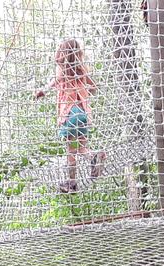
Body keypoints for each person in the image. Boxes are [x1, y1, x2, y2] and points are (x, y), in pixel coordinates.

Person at [36, 38, 108, 193]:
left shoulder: (63, 68)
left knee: (71, 152)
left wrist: (43, 91)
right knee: (81, 148)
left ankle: (72, 182)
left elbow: (56, 81)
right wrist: (82, 91)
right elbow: (94, 88)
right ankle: (94, 156)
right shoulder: (82, 70)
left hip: (70, 116)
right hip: (82, 115)